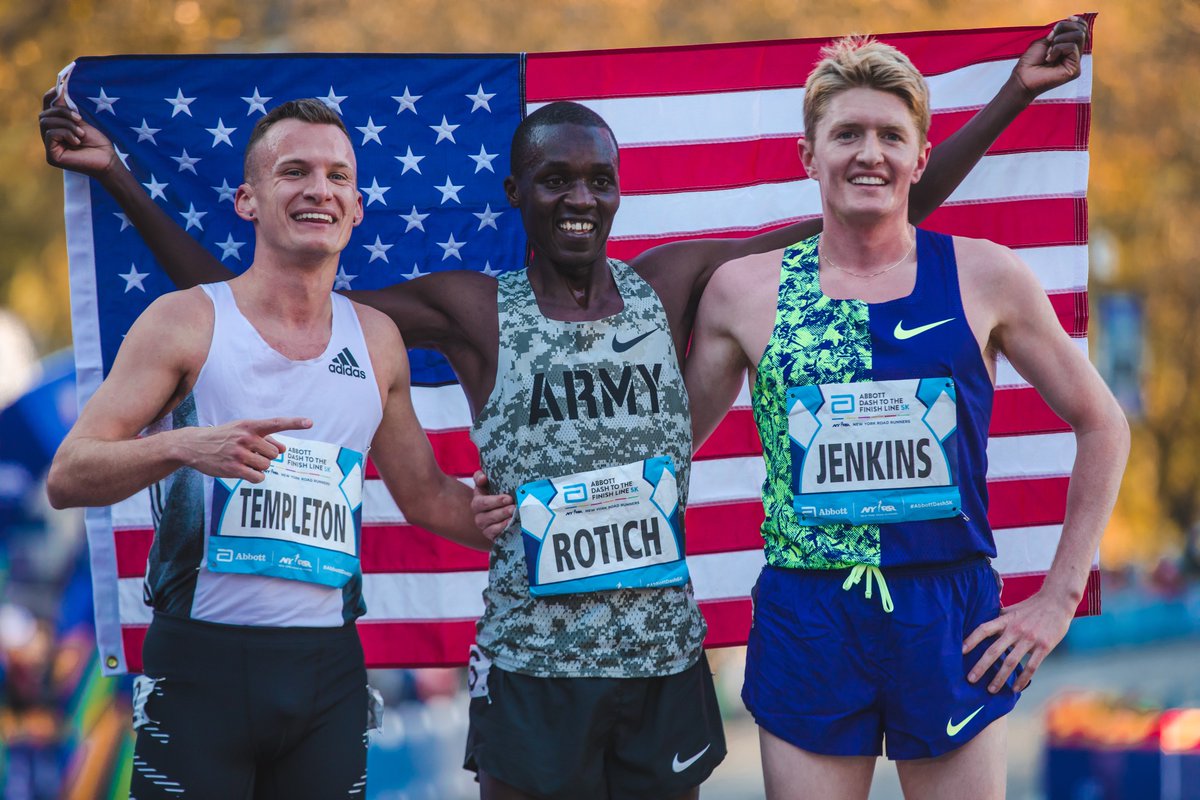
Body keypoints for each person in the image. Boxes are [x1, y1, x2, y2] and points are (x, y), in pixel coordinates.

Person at [40, 20, 1088, 799]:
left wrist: (1011, 99)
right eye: (553, 180)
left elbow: (874, 222)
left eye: (596, 180)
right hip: (531, 670)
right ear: (516, 193)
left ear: (622, 191)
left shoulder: (673, 282)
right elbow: (272, 299)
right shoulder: (467, 309)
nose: (578, 198)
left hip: (659, 663)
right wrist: (125, 183)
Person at [682, 35, 1128, 799]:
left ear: (921, 159)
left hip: (947, 611)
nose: (870, 154)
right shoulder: (744, 292)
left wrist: (1057, 599)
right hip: (809, 611)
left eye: (892, 136)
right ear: (808, 156)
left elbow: (1103, 422)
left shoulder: (984, 273)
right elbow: (666, 450)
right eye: (847, 134)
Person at [44, 99, 486, 799]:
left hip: (328, 673)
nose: (320, 189)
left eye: (338, 175)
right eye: (295, 172)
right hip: (199, 667)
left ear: (358, 206)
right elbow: (68, 474)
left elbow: (428, 497)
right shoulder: (186, 321)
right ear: (249, 200)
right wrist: (187, 446)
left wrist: (520, 520)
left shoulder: (376, 341)